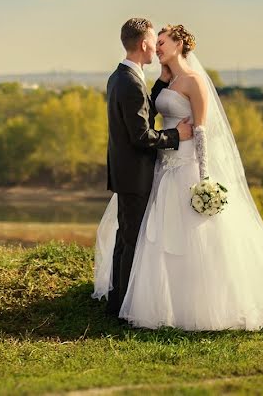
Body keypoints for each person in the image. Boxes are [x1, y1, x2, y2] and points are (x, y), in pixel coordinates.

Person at [94, 23, 263, 331]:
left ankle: (193, 302)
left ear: (179, 45)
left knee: (186, 238)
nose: (157, 47)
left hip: (184, 166)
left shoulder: (194, 81)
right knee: (152, 236)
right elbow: (146, 119)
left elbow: (200, 132)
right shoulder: (163, 82)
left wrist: (204, 176)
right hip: (162, 167)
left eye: (162, 42)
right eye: (154, 42)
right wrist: (171, 123)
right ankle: (146, 299)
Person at [102, 18, 193, 317]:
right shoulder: (129, 82)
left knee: (125, 238)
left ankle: (118, 300)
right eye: (154, 42)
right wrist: (176, 136)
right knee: (132, 241)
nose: (156, 47)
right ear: (144, 44)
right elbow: (142, 135)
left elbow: (141, 110)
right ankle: (125, 306)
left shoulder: (121, 77)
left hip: (125, 172)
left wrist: (162, 83)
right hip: (134, 175)